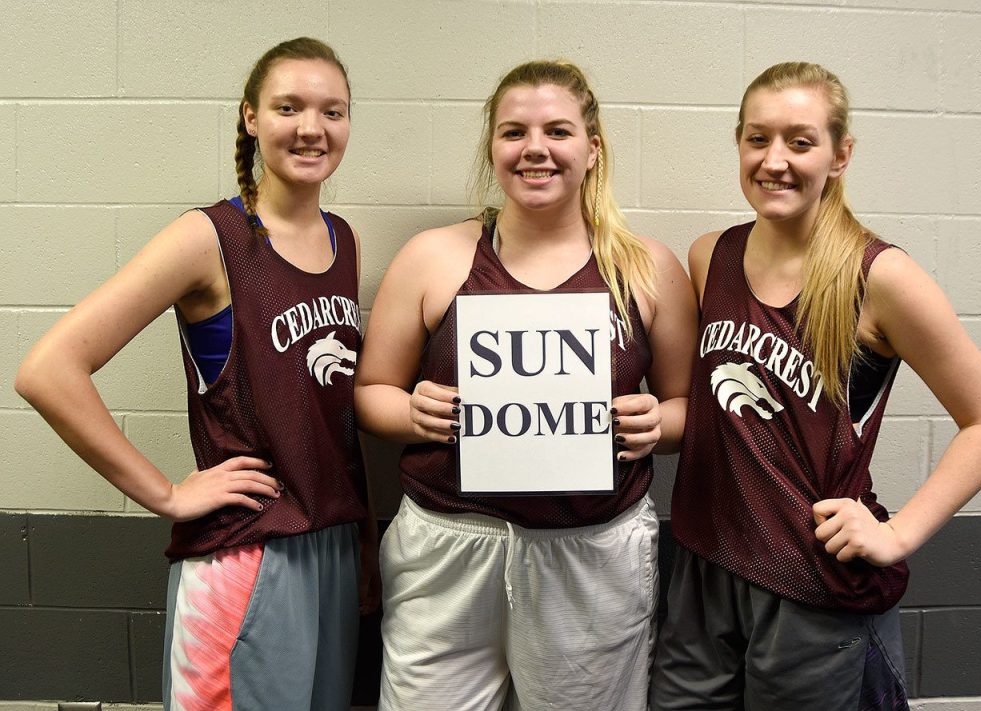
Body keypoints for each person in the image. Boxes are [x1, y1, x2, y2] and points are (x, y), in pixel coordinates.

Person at [15, 37, 378, 710]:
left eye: (333, 111)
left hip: (332, 551)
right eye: (288, 107)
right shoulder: (208, 238)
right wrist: (166, 493)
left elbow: (332, 422)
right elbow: (48, 370)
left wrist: (361, 541)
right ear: (249, 118)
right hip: (249, 556)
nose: (311, 128)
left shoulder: (344, 239)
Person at [650, 61, 981, 711]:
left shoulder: (882, 276)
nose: (774, 160)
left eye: (800, 140)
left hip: (810, 587)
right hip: (703, 572)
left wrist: (898, 533)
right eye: (757, 138)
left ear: (840, 154)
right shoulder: (711, 256)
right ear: (737, 143)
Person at [354, 59, 698, 710]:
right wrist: (412, 412)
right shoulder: (435, 256)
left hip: (592, 551)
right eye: (514, 131)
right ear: (493, 148)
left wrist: (659, 422)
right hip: (450, 545)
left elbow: (688, 407)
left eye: (557, 131)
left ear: (593, 149)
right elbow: (373, 392)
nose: (535, 148)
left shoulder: (647, 267)